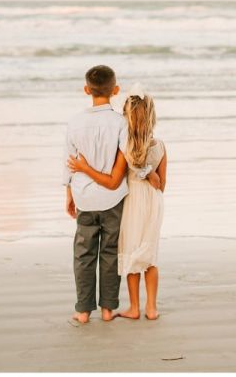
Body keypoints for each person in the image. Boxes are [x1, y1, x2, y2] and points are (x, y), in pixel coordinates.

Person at [62, 67, 160, 324]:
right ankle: (107, 309)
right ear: (115, 90)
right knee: (109, 253)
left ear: (86, 90)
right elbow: (130, 155)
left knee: (83, 255)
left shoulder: (74, 122)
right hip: (113, 199)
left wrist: (68, 194)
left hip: (84, 197)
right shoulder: (119, 122)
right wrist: (149, 173)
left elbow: (68, 161)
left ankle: (83, 311)